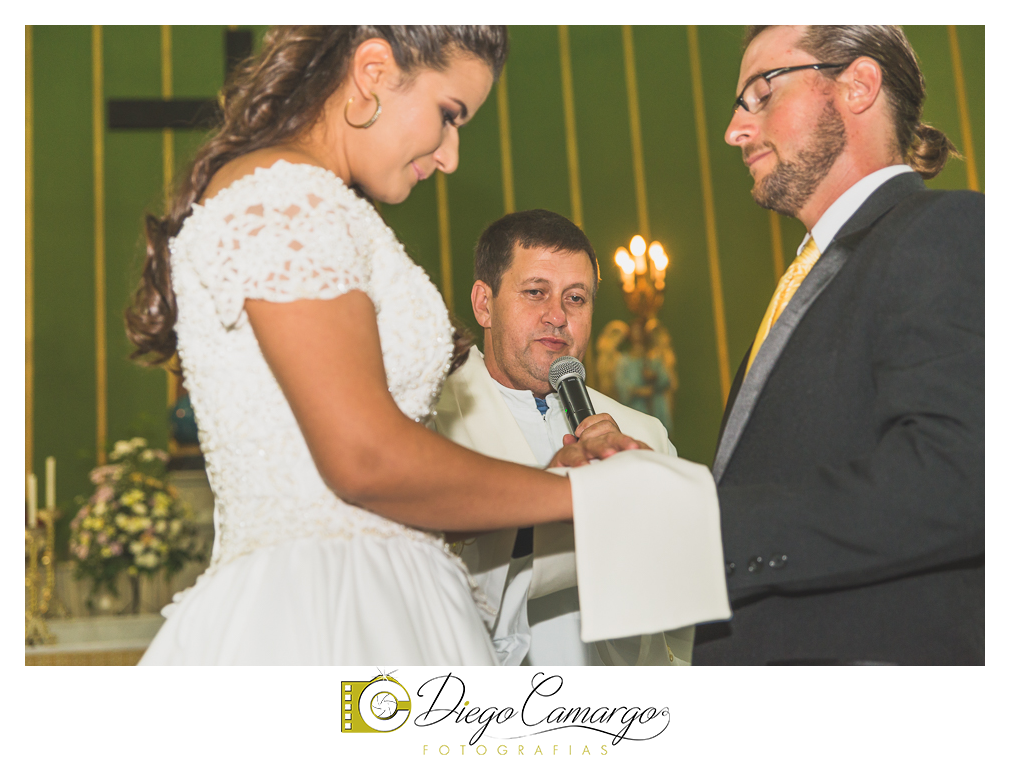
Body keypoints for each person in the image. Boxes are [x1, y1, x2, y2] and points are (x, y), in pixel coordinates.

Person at [124, 26, 641, 665]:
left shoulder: (323, 204)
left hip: (386, 590)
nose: (451, 154)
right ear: (373, 71)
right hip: (321, 613)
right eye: (448, 115)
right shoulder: (285, 199)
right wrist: (589, 500)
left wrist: (543, 486)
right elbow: (362, 458)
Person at [693, 26, 983, 664]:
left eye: (760, 94)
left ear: (858, 85)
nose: (734, 132)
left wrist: (698, 528)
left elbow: (962, 475)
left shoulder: (949, 230)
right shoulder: (807, 281)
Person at [433, 209, 694, 666]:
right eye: (536, 293)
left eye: (576, 298)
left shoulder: (640, 433)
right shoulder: (432, 423)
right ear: (484, 304)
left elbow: (682, 605)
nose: (557, 316)